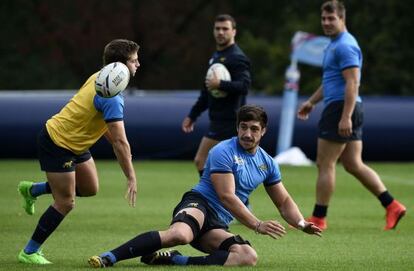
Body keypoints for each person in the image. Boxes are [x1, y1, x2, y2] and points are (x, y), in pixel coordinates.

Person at [88, 104, 322, 268]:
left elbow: (283, 202)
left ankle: (174, 260)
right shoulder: (223, 151)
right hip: (199, 205)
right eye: (243, 127)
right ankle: (110, 257)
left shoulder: (267, 163)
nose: (247, 134)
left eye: (254, 129)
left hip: (218, 222)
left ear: (263, 132)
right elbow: (227, 196)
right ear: (237, 127)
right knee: (180, 234)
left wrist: (302, 223)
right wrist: (257, 224)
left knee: (246, 257)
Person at [17, 39, 140, 264]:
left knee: (89, 188)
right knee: (66, 201)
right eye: (133, 60)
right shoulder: (112, 97)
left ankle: (33, 190)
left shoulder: (99, 76)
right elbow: (121, 142)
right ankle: (29, 251)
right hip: (57, 142)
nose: (137, 65)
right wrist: (130, 175)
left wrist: (116, 143)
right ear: (120, 67)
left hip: (77, 144)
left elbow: (108, 129)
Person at [297, 1, 406, 231]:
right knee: (353, 164)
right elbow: (331, 82)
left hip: (341, 109)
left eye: (331, 19)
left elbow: (352, 81)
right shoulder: (334, 44)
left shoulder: (345, 46)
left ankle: (318, 218)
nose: (326, 23)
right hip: (345, 107)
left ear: (342, 19)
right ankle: (392, 205)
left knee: (325, 163)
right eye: (324, 19)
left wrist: (345, 117)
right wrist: (311, 102)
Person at [182, 14, 251, 177]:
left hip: (229, 121)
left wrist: (220, 84)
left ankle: (219, 199)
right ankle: (231, 200)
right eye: (217, 29)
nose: (220, 32)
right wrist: (192, 115)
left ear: (234, 31)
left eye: (225, 29)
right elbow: (207, 92)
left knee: (202, 160)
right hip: (218, 120)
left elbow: (244, 85)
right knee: (225, 167)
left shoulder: (237, 57)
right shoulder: (215, 57)